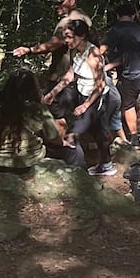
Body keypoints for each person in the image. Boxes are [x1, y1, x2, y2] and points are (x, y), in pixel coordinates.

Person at [42, 20, 116, 176]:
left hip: (96, 99)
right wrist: (52, 93)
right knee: (97, 131)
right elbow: (70, 75)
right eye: (65, 37)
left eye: (69, 37)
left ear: (81, 36)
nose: (66, 41)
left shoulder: (93, 54)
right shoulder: (74, 50)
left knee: (72, 135)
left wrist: (85, 105)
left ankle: (78, 174)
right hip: (83, 94)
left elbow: (101, 85)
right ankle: (107, 165)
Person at [0, 69, 82, 170]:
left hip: (0, 159)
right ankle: (76, 174)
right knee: (75, 152)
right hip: (29, 160)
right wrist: (65, 143)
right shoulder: (37, 110)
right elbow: (54, 137)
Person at [104, 3, 140, 149]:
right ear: (133, 15)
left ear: (117, 16)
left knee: (128, 105)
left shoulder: (115, 30)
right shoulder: (138, 28)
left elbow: (102, 49)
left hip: (130, 74)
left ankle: (134, 138)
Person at [13, 0, 92, 87]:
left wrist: (29, 50)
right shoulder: (84, 16)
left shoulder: (68, 21)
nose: (56, 6)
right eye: (55, 3)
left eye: (60, 2)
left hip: (64, 77)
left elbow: (54, 44)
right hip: (82, 74)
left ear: (72, 1)